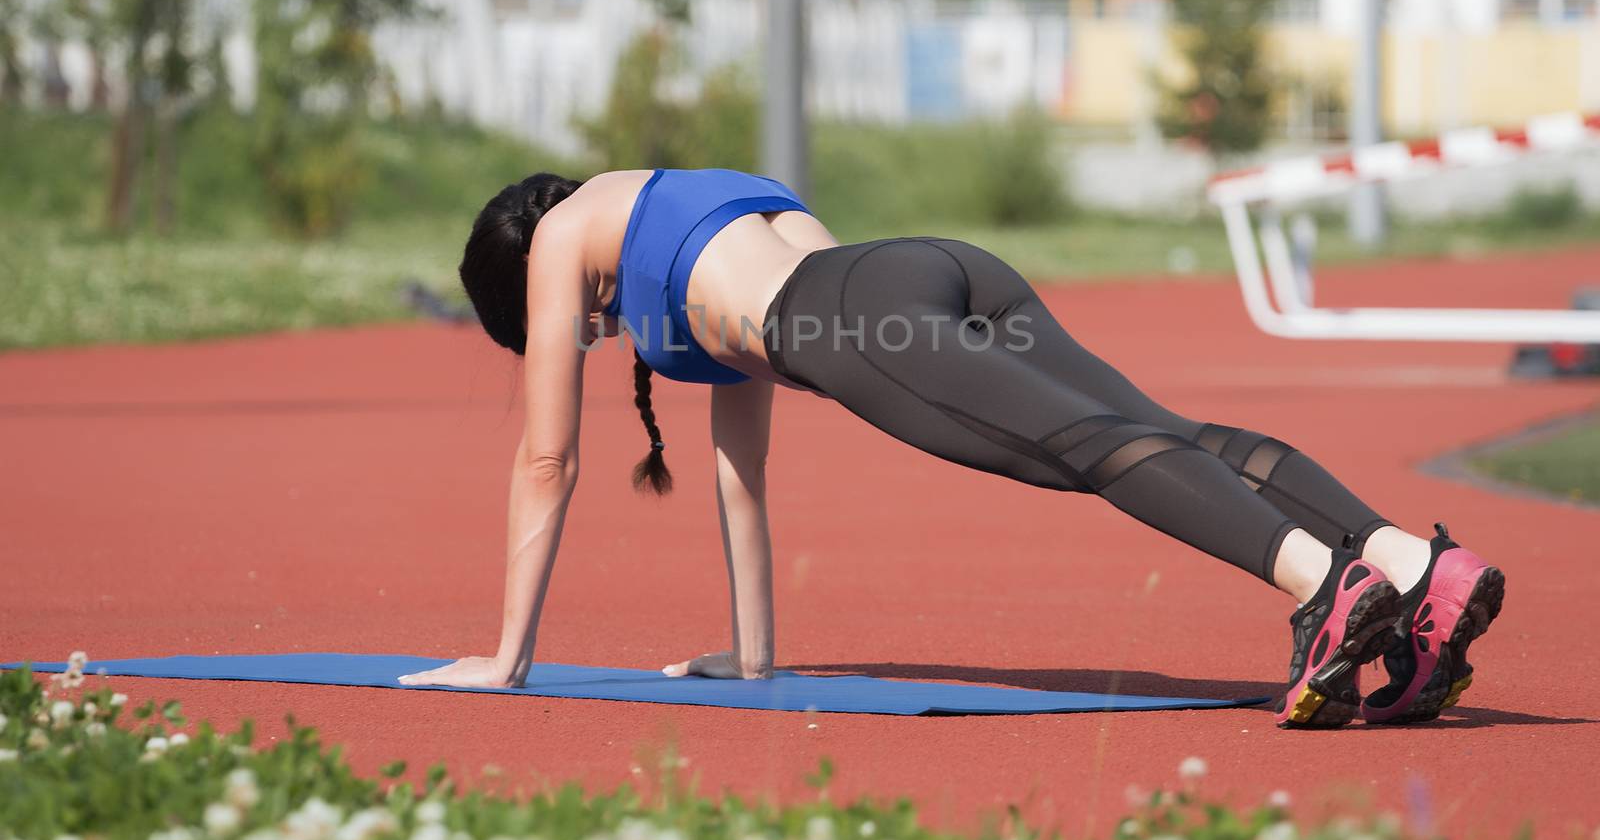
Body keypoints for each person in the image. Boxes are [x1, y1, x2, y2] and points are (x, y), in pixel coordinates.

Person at [397, 168, 1504, 729]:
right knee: (1162, 429)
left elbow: (548, 458)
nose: (587, 336)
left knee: (1097, 450)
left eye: (573, 326)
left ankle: (1323, 585)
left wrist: (507, 657)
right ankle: (1413, 563)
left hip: (846, 321)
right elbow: (743, 470)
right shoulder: (668, 205)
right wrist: (754, 652)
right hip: (933, 265)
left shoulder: (557, 239)